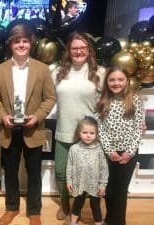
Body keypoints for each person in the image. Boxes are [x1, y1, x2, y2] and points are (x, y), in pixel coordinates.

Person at [0, 23, 56, 225]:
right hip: (9, 129)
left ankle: (34, 211)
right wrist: (2, 116)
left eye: (25, 41)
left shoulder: (42, 69)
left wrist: (37, 116)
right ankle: (11, 208)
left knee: (34, 173)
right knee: (10, 171)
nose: (21, 45)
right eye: (17, 41)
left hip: (33, 128)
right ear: (10, 44)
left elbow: (50, 98)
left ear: (31, 43)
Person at [51, 32, 106, 223]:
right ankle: (66, 206)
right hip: (64, 131)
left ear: (89, 50)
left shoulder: (100, 72)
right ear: (69, 50)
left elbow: (111, 101)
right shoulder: (57, 72)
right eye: (74, 47)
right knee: (60, 172)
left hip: (89, 135)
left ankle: (80, 207)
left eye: (83, 47)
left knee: (88, 174)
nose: (78, 51)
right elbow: (46, 97)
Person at [95, 66, 143, 225]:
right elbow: (99, 128)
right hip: (108, 152)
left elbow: (137, 128)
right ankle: (110, 219)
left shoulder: (135, 99)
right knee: (109, 188)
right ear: (107, 82)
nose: (116, 83)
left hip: (127, 153)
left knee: (121, 190)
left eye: (120, 79)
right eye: (112, 79)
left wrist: (129, 152)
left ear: (127, 81)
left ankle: (119, 221)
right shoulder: (101, 100)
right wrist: (109, 150)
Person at [66, 116, 108, 225]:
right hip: (79, 182)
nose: (88, 135)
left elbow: (104, 168)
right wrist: (69, 181)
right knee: (77, 203)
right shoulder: (74, 149)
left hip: (95, 184)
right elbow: (69, 166)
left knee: (95, 206)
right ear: (79, 132)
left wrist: (103, 185)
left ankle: (98, 223)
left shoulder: (99, 149)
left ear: (96, 134)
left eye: (92, 133)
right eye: (85, 132)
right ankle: (73, 222)